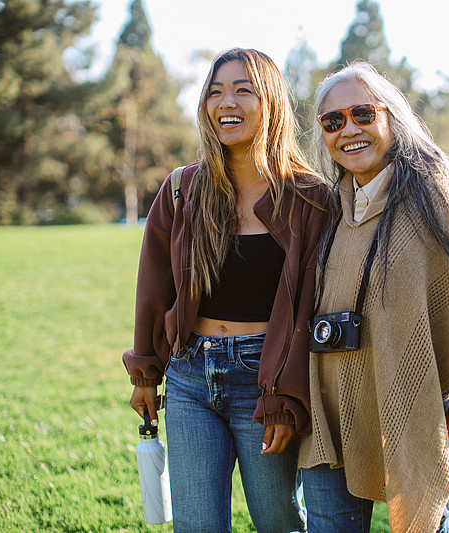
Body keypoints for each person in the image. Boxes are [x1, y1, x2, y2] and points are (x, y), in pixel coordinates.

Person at [299, 61, 449, 533]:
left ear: (392, 118)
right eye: (332, 121)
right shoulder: (332, 206)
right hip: (330, 404)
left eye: (362, 113)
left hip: (407, 395)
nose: (348, 130)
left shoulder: (431, 192)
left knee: (422, 520)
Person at [122, 48, 330, 533]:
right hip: (191, 374)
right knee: (196, 525)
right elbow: (153, 287)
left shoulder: (310, 198)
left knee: (277, 519)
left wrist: (289, 394)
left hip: (265, 380)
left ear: (271, 102)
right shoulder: (182, 189)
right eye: (215, 91)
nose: (225, 102)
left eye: (242, 89)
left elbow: (313, 308)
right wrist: (146, 373)